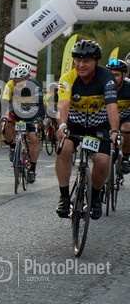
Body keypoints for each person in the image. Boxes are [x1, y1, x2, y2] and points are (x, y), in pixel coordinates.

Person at [55, 40, 119, 220]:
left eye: (86, 61)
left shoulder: (106, 77)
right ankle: (64, 197)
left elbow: (112, 106)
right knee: (64, 148)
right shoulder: (67, 78)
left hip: (99, 126)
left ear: (96, 61)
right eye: (77, 60)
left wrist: (115, 131)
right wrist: (62, 125)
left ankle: (95, 196)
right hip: (74, 124)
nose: (81, 65)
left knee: (102, 161)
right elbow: (63, 105)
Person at [0, 62, 45, 183]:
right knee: (5, 124)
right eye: (14, 81)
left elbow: (40, 106)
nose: (15, 84)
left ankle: (32, 169)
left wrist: (39, 119)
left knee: (34, 138)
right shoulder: (10, 85)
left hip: (32, 112)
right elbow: (4, 102)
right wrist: (3, 117)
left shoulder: (34, 86)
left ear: (26, 79)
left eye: (18, 81)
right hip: (16, 110)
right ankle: (13, 147)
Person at [106, 58, 130, 174]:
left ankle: (125, 157)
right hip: (108, 118)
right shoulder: (102, 85)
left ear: (124, 76)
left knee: (127, 128)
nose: (112, 78)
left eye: (116, 75)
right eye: (110, 75)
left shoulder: (128, 87)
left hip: (125, 118)